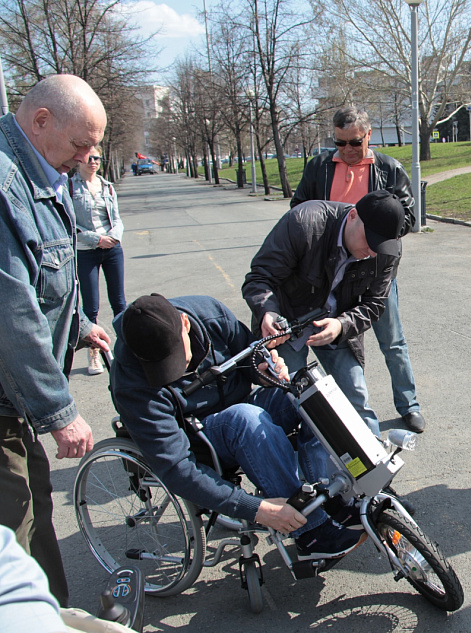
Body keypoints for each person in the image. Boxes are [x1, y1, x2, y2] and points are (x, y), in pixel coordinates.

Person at [110, 294, 365, 561]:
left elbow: (249, 357)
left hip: (239, 402)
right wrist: (256, 508)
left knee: (307, 391)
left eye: (174, 357)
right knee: (244, 419)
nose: (171, 371)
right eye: (160, 367)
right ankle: (312, 532)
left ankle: (329, 495)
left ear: (185, 323)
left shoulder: (210, 313)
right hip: (196, 436)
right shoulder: (131, 381)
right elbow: (175, 466)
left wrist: (265, 371)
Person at [0, 74, 111, 608]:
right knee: (14, 534)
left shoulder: (41, 169)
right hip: (6, 397)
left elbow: (48, 279)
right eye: (82, 144)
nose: (88, 157)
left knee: (35, 509)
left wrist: (80, 326)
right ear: (40, 121)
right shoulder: (5, 185)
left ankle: (50, 616)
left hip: (14, 399)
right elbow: (11, 311)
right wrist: (61, 411)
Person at [289, 106, 425, 433]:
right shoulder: (319, 168)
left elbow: (408, 217)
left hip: (376, 270)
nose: (347, 150)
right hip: (333, 273)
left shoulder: (389, 169)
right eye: (339, 143)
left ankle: (409, 405)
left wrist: (372, 229)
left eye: (354, 143)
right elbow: (299, 209)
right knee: (342, 344)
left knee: (392, 342)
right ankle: (354, 415)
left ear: (368, 136)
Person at [243, 190, 405, 438]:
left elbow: (375, 304)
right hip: (288, 324)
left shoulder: (387, 249)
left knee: (355, 397)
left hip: (336, 326)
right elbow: (260, 277)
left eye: (379, 246)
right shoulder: (304, 223)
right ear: (352, 216)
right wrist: (268, 311)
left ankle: (375, 469)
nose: (373, 252)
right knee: (297, 399)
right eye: (369, 240)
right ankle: (300, 468)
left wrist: (341, 325)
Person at [71, 145, 126, 376]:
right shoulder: (69, 187)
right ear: (79, 159)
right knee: (91, 306)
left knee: (119, 302)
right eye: (89, 157)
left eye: (97, 158)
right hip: (86, 251)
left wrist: (113, 237)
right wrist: (96, 239)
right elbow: (69, 223)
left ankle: (126, 349)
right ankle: (95, 353)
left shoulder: (107, 187)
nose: (93, 162)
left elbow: (117, 219)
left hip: (112, 248)